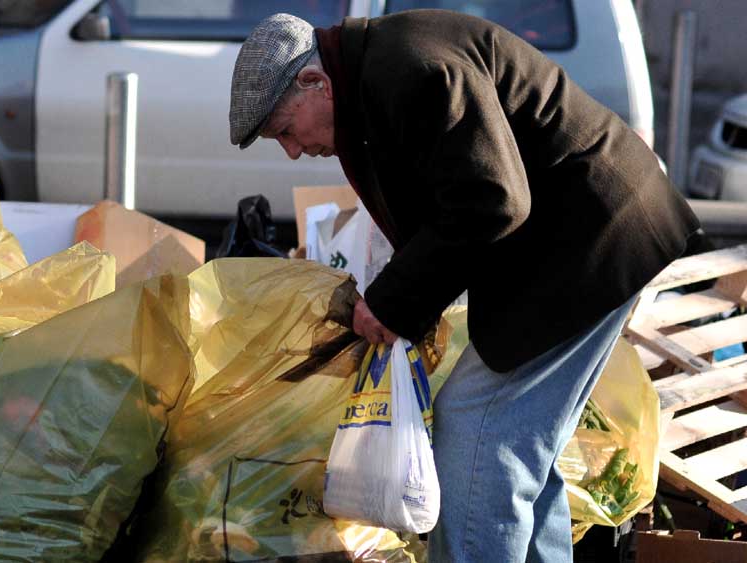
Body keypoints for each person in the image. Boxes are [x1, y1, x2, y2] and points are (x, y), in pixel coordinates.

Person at [229, 10, 699, 563]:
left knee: (479, 430)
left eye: (285, 130)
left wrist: (395, 301)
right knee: (523, 449)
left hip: (591, 241)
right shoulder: (378, 70)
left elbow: (491, 199)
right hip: (589, 238)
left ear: (314, 82)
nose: (291, 150)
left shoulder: (411, 70)